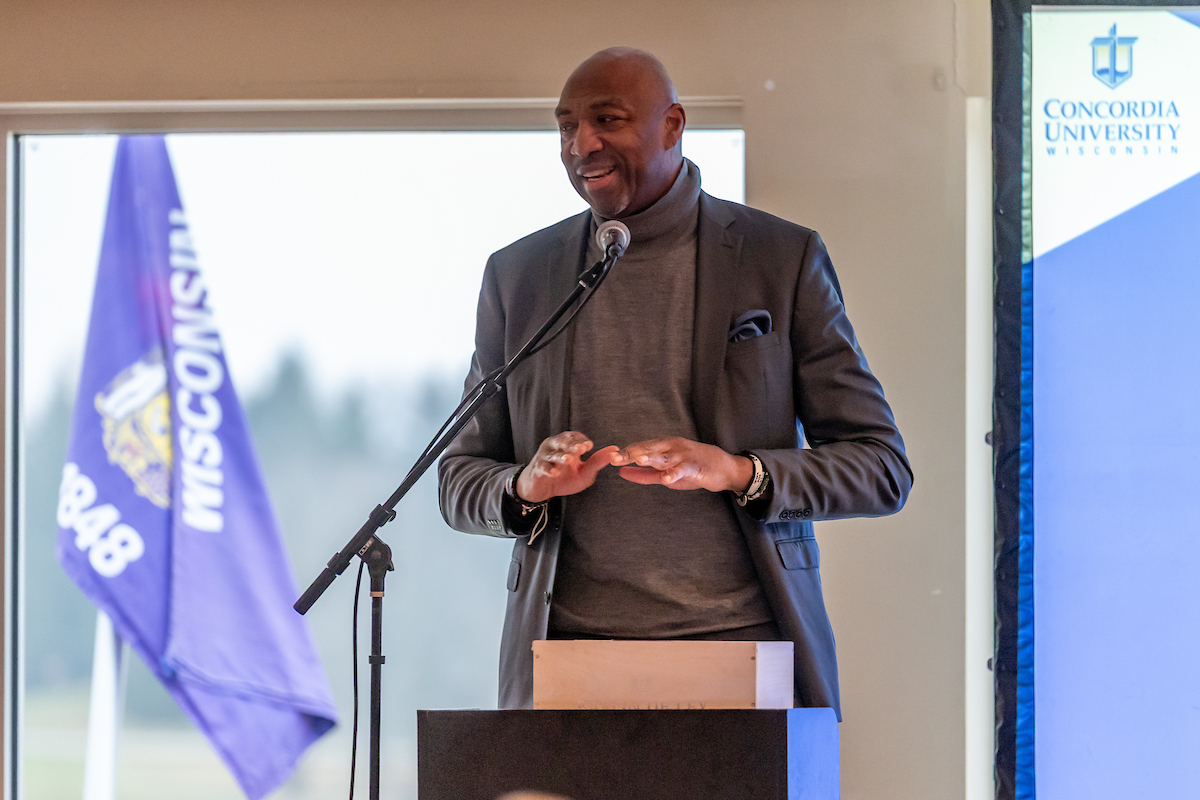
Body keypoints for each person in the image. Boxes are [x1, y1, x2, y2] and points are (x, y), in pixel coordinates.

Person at [438, 47, 912, 715]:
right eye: (566, 126)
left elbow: (881, 467)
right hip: (567, 663)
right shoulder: (521, 275)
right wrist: (524, 484)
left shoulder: (779, 257)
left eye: (608, 119)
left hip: (747, 660)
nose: (583, 144)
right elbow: (458, 479)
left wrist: (738, 470)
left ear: (673, 125)